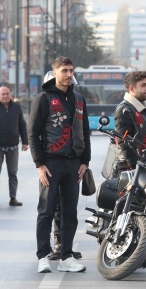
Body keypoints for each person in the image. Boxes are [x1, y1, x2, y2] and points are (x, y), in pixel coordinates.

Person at [29, 56, 91, 273]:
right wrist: (39, 164)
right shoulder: (43, 99)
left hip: (73, 164)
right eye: (64, 70)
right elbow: (33, 133)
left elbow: (85, 132)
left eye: (71, 70)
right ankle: (43, 256)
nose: (68, 74)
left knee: (70, 212)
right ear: (54, 73)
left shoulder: (79, 99)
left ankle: (66, 257)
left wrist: (85, 161)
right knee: (45, 211)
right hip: (51, 163)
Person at [0, 86, 28, 207]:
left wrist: (25, 142)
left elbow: (22, 125)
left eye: (7, 94)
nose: (5, 96)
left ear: (11, 95)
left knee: (13, 173)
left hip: (13, 145)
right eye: (2, 94)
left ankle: (13, 198)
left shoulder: (17, 107)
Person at [113, 71, 146, 176]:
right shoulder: (124, 109)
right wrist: (135, 167)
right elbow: (123, 142)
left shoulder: (143, 107)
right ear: (132, 88)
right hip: (134, 170)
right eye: (143, 85)